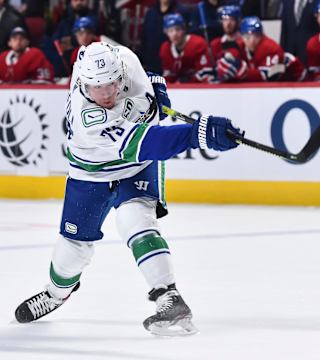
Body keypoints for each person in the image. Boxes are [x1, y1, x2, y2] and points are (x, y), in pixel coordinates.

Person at [14, 41, 243, 336]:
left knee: (135, 221)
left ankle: (168, 297)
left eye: (112, 83)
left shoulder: (125, 61)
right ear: (84, 84)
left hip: (136, 168)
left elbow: (147, 96)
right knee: (72, 251)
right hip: (90, 174)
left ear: (119, 72)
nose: (107, 93)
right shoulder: (89, 119)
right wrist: (199, 133)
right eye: (98, 88)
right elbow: (150, 142)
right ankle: (56, 293)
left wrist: (156, 88)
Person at [159, 13, 213, 83]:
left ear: (184, 30)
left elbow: (205, 73)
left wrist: (185, 82)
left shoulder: (198, 44)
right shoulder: (165, 48)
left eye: (178, 29)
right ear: (166, 32)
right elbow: (168, 75)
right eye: (170, 30)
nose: (174, 34)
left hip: (198, 88)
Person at [141, 0, 189, 74]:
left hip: (173, 66)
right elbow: (144, 39)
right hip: (151, 64)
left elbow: (187, 39)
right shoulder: (150, 12)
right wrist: (143, 62)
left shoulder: (182, 11)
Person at [280, 0, 320, 64]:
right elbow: (284, 30)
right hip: (290, 53)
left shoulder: (317, 2)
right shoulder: (287, 2)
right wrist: (282, 53)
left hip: (309, 52)